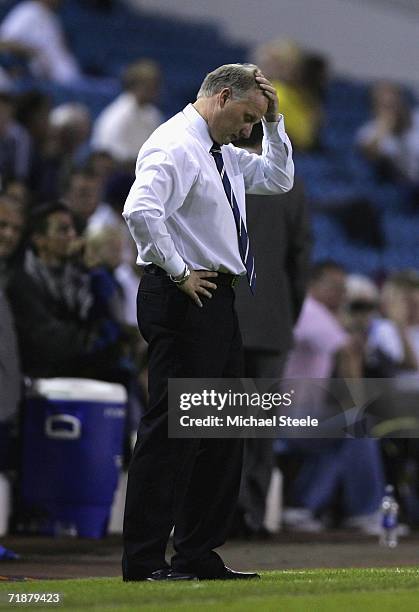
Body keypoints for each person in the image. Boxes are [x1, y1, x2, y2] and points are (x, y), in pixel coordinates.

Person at [122, 63, 294, 581]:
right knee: (173, 432)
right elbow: (139, 210)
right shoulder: (175, 144)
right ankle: (145, 562)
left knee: (221, 433)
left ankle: (198, 554)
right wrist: (177, 272)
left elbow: (279, 179)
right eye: (245, 117)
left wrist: (272, 123)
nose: (248, 131)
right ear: (221, 97)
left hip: (216, 299)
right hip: (184, 295)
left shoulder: (222, 152)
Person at [232, 122, 311, 538]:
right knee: (259, 426)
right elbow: (300, 258)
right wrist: (289, 311)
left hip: (221, 313)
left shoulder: (216, 170)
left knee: (216, 419)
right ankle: (253, 514)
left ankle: (214, 512)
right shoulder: (289, 184)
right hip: (272, 319)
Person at [91, 59, 163, 165]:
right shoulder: (118, 114)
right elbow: (107, 150)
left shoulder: (153, 114)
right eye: (149, 86)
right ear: (135, 85)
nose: (155, 91)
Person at [0, 0, 82, 85]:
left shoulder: (51, 15)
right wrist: (34, 52)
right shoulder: (28, 11)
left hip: (71, 79)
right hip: (50, 83)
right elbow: (3, 43)